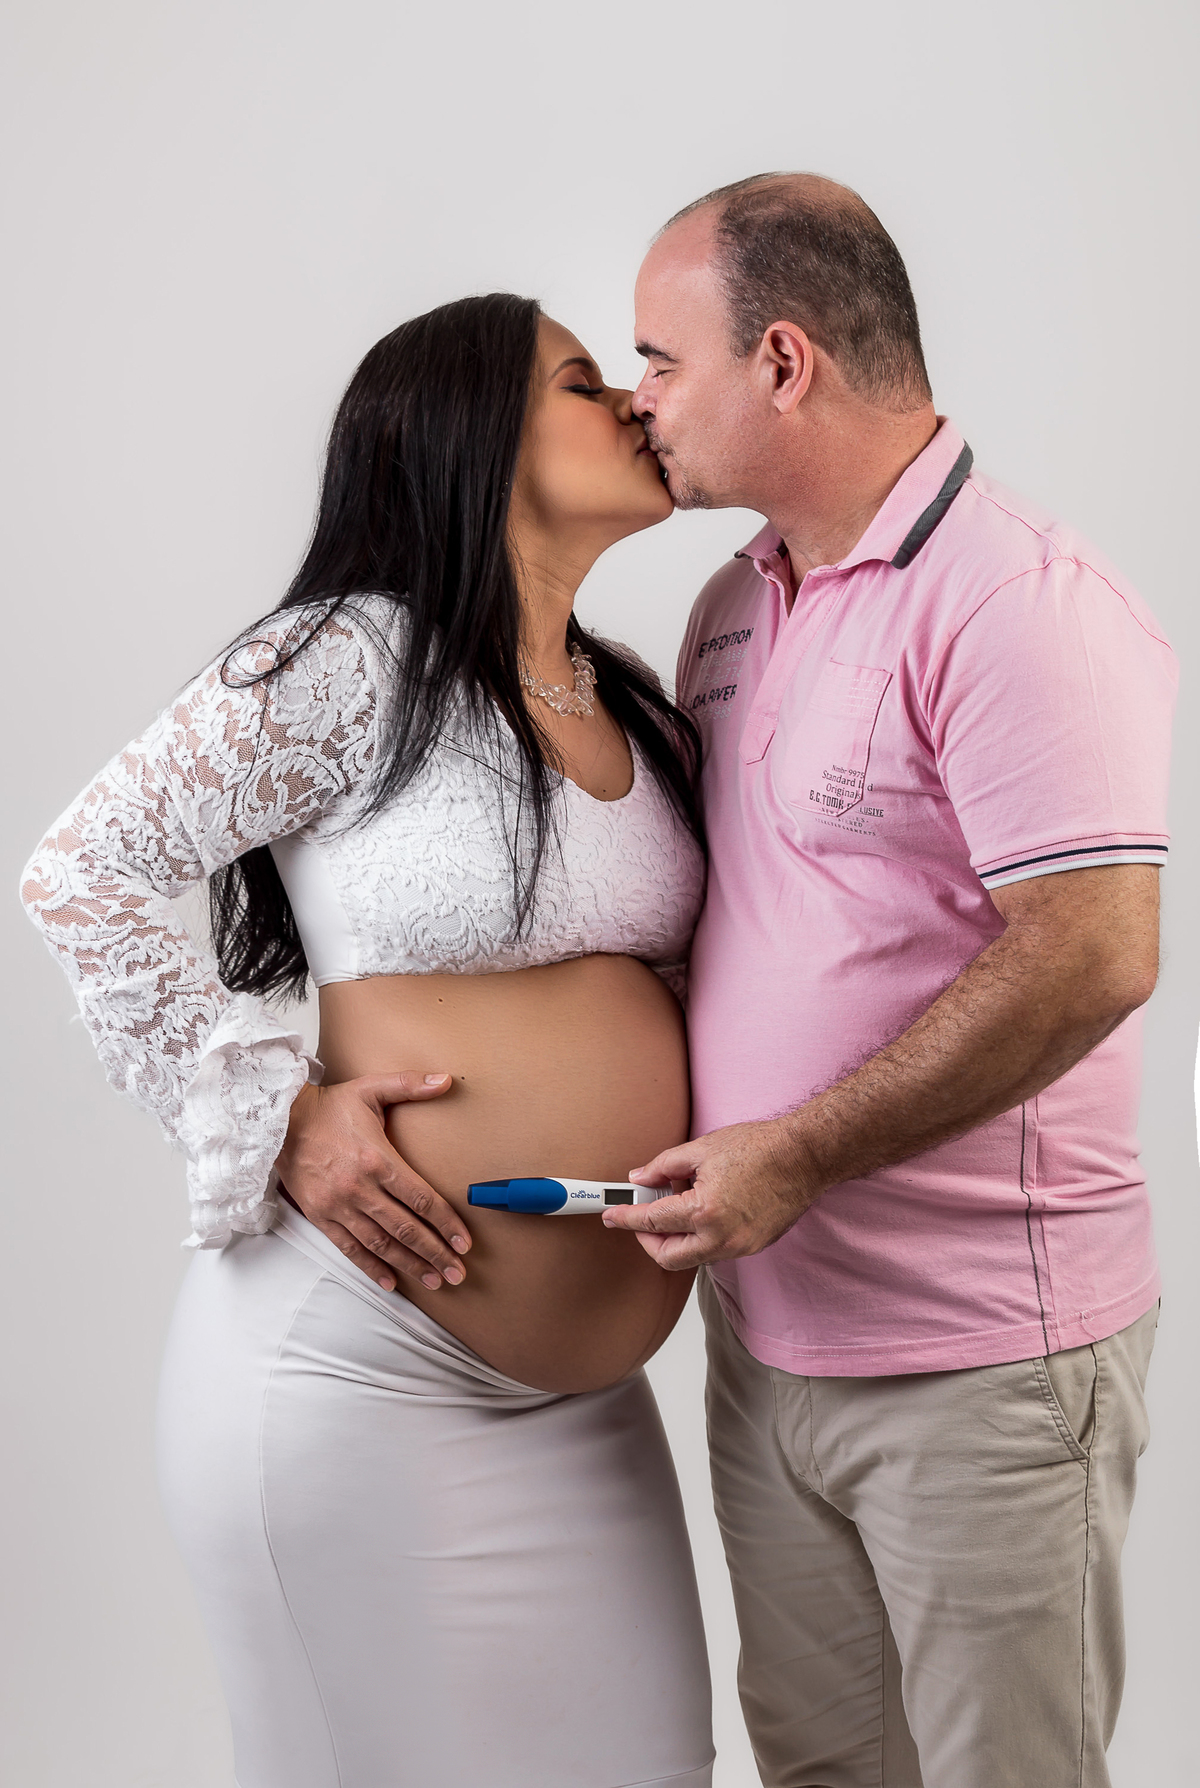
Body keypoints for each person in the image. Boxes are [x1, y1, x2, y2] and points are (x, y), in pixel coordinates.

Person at [20, 294, 715, 1788]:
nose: (634, 403)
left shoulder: (627, 698)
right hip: (356, 1368)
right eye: (585, 382)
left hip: (583, 1402)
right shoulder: (348, 660)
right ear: (468, 436)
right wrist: (278, 1115)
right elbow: (85, 871)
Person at [601, 175, 1176, 1788]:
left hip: (981, 1361)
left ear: (783, 362)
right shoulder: (733, 606)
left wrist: (796, 1152)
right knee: (823, 1771)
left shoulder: (1019, 601)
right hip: (768, 1342)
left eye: (660, 360)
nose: (639, 400)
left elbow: (1094, 954)